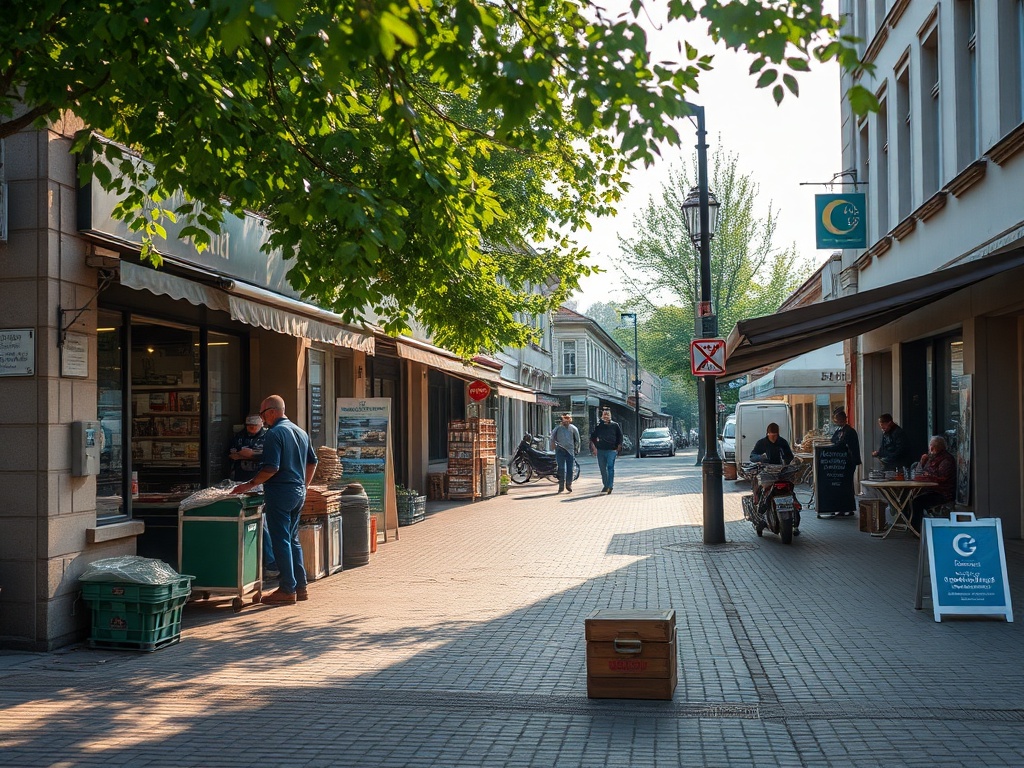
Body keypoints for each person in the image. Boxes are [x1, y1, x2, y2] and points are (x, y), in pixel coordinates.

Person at [232, 395, 317, 605]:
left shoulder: (275, 433)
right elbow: (312, 462)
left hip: (281, 491)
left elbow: (272, 467)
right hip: (297, 491)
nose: (262, 420)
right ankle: (300, 586)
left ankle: (287, 589)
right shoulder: (301, 431)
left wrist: (248, 485)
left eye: (262, 415)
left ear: (271, 412)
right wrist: (303, 486)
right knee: (292, 539)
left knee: (281, 540)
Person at [229, 415, 278, 579]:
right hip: (240, 481)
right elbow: (232, 452)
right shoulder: (240, 436)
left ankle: (270, 562)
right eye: (248, 426)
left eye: (253, 426)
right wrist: (245, 455)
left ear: (261, 425)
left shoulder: (269, 436)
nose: (250, 429)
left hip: (259, 482)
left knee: (261, 521)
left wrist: (250, 454)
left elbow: (269, 458)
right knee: (248, 520)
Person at [748, 423, 800, 534]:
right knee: (763, 492)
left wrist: (789, 461)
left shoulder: (782, 442)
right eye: (771, 436)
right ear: (767, 434)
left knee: (790, 492)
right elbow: (752, 455)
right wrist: (760, 458)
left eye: (775, 436)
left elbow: (789, 456)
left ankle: (795, 519)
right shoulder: (761, 443)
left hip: (782, 472)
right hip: (767, 473)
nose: (774, 438)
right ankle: (760, 515)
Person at [909, 435, 956, 534]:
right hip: (930, 489)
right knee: (909, 498)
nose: (931, 448)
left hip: (942, 492)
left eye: (933, 446)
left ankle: (916, 530)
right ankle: (911, 526)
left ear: (939, 447)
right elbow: (920, 472)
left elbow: (942, 478)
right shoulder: (932, 458)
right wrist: (922, 462)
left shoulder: (946, 459)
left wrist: (927, 476)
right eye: (931, 446)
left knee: (917, 502)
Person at [829, 407, 861, 516]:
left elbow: (840, 444)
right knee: (844, 485)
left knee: (846, 485)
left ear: (842, 419)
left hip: (848, 462)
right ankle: (845, 507)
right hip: (843, 462)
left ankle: (847, 508)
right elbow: (833, 440)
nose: (835, 422)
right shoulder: (840, 430)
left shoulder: (849, 431)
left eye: (836, 420)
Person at [590, 408, 623, 494]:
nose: (606, 416)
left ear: (610, 416)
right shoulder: (599, 426)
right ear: (602, 416)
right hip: (601, 450)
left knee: (610, 468)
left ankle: (610, 486)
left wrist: (618, 448)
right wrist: (595, 447)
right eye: (604, 414)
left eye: (607, 414)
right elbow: (593, 437)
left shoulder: (615, 425)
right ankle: (605, 485)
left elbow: (620, 437)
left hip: (612, 450)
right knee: (602, 469)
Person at [549, 412, 581, 493]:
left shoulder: (573, 428)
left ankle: (569, 484)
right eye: (564, 418)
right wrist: (552, 446)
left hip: (570, 450)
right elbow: (552, 437)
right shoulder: (558, 428)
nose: (566, 420)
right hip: (560, 450)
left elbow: (578, 440)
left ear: (570, 419)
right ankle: (561, 485)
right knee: (561, 468)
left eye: (567, 418)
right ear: (562, 419)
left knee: (570, 469)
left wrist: (577, 449)